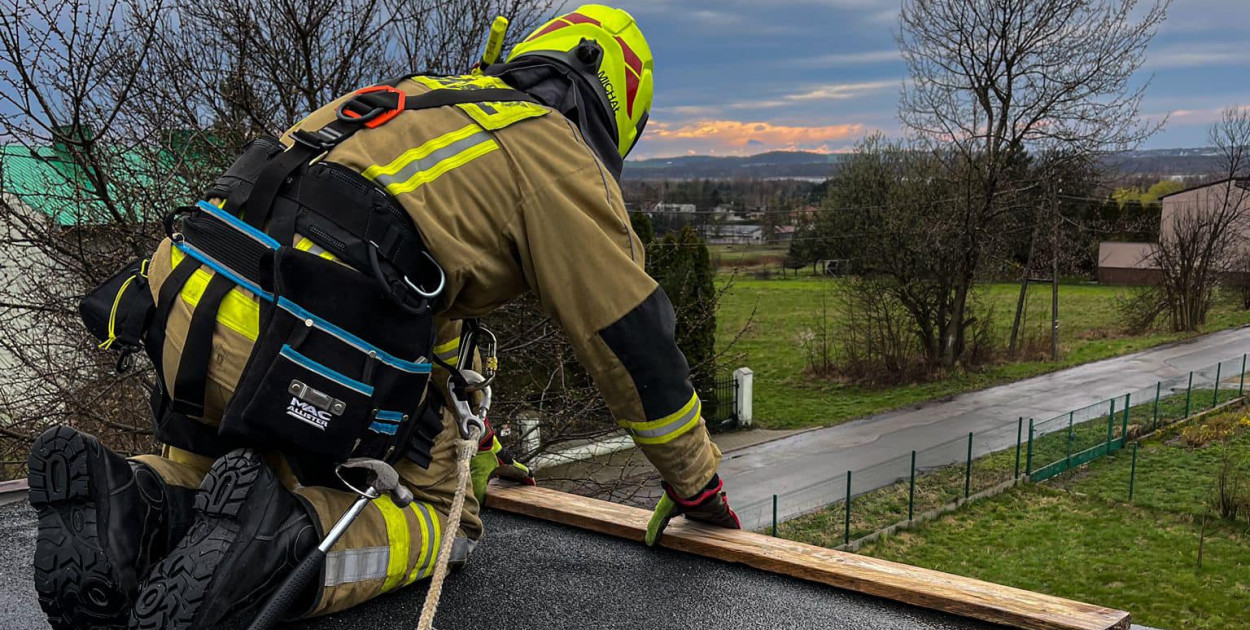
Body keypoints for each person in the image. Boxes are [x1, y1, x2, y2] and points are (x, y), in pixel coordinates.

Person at [27, 6, 740, 630]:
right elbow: (634, 343)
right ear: (615, 113)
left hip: (183, 306)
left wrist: (479, 433)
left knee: (216, 470)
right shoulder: (556, 154)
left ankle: (135, 500)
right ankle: (283, 547)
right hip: (293, 334)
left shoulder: (419, 99)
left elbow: (410, 282)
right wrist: (697, 484)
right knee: (442, 520)